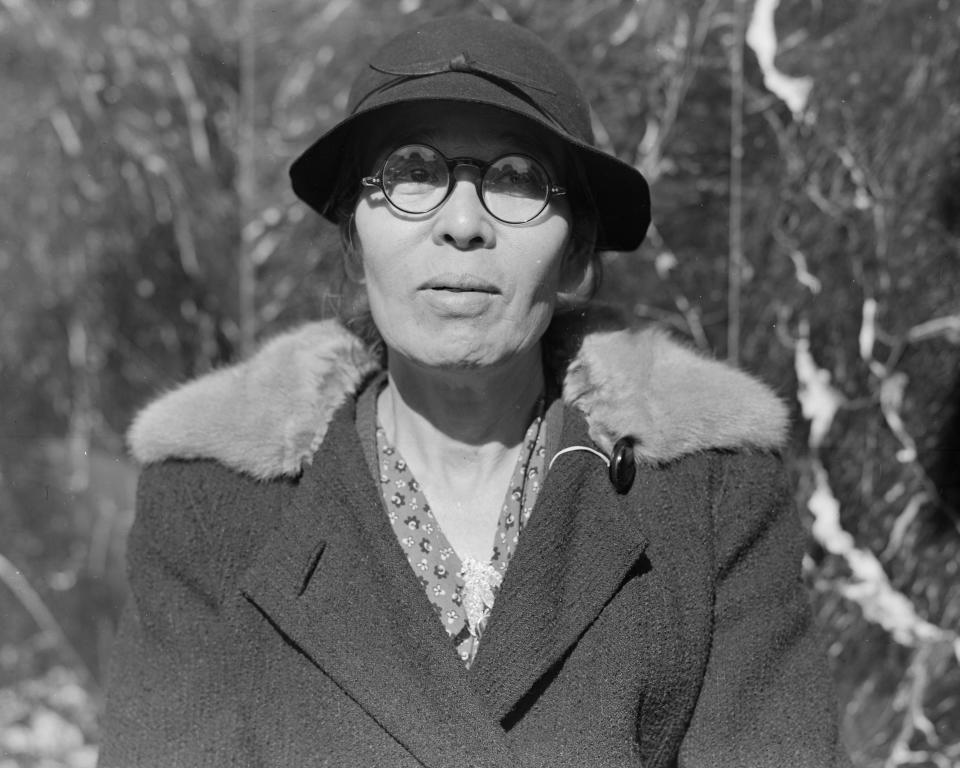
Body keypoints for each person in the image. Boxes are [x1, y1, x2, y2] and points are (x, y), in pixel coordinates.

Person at [100, 14, 850, 768]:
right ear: (355, 244)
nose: (463, 224)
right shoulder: (211, 505)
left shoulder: (710, 494)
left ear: (575, 253)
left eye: (517, 179)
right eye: (411, 173)